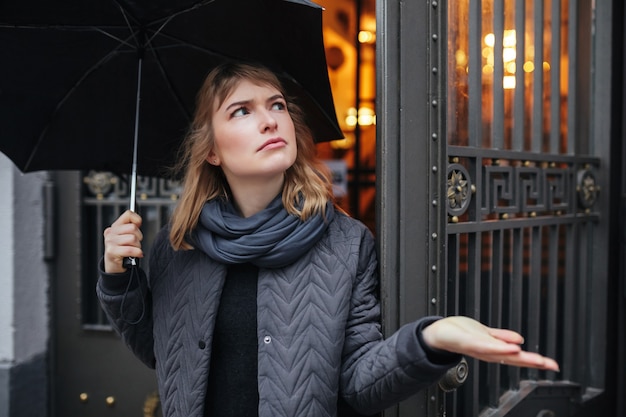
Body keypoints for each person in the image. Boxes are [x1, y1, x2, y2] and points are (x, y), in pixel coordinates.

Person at [97, 62, 559, 417]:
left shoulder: (344, 243)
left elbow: (359, 383)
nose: (269, 120)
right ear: (212, 150)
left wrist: (432, 339)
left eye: (276, 104)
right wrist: (118, 278)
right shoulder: (180, 243)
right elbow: (161, 353)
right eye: (242, 110)